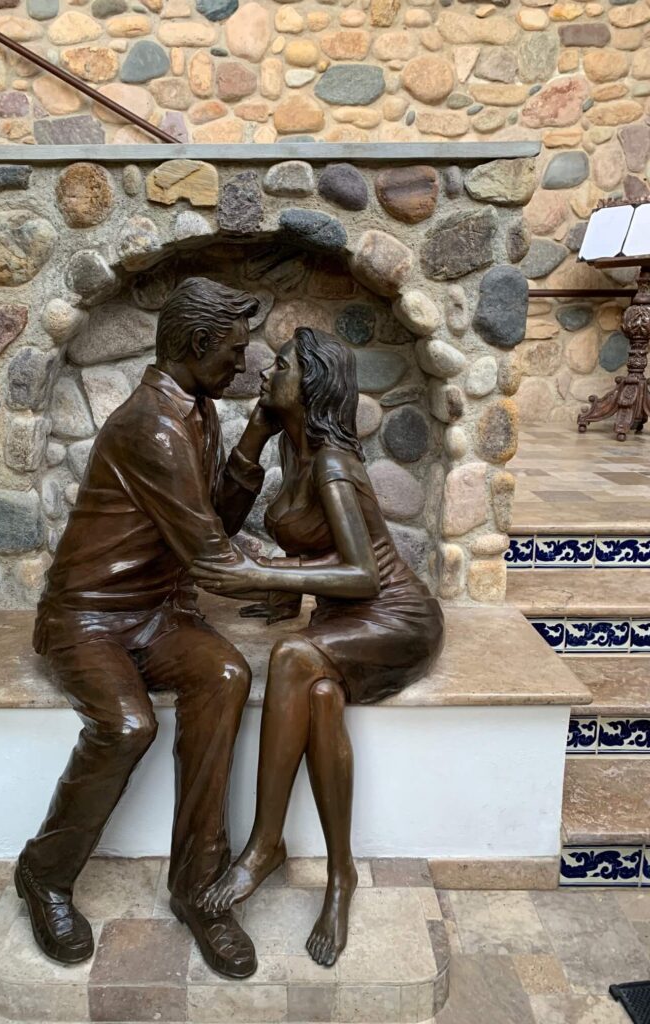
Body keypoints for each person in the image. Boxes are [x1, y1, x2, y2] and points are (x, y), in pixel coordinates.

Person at [16, 277, 281, 980]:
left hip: (159, 611)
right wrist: (325, 582)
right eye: (233, 351)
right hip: (87, 619)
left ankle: (197, 889)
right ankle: (43, 874)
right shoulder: (152, 425)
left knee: (226, 674)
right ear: (197, 346)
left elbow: (214, 522)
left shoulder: (197, 408)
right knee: (128, 725)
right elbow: (214, 555)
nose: (243, 364)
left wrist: (257, 428)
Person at [191, 327, 445, 968]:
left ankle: (264, 844)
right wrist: (257, 428)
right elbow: (228, 518)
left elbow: (363, 575)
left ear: (313, 386)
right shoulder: (297, 450)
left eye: (280, 366)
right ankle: (341, 877)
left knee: (292, 657)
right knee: (321, 696)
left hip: (395, 617)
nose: (264, 371)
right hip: (348, 618)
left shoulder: (332, 464)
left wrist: (265, 576)